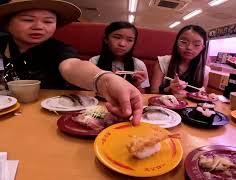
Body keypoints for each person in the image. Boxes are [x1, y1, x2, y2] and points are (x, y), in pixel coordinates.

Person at [0, 0, 142, 125]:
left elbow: (72, 66)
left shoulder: (59, 49)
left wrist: (105, 79)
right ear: (7, 24)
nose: (39, 26)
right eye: (28, 20)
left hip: (46, 118)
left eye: (48, 21)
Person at [150, 25, 210, 96]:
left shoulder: (205, 71)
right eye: (184, 42)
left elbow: (202, 95)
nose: (189, 47)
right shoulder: (162, 62)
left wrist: (188, 95)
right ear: (176, 43)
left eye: (196, 45)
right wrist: (169, 89)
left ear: (202, 48)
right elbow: (153, 91)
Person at [90, 21, 149, 93]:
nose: (122, 44)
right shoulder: (94, 61)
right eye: (117, 37)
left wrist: (137, 85)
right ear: (106, 39)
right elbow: (89, 90)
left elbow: (144, 93)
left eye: (130, 40)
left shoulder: (139, 64)